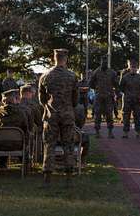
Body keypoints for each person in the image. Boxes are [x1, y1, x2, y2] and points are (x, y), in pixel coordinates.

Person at [38, 48, 80, 186]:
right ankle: (69, 177)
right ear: (65, 59)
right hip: (67, 115)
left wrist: (50, 106)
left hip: (51, 115)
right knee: (68, 145)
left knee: (49, 145)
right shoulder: (72, 76)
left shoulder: (45, 76)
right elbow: (75, 100)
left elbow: (41, 99)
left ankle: (47, 177)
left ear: (54, 58)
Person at [89, 61, 117, 138]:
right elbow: (91, 83)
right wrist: (97, 89)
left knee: (109, 114)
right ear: (100, 63)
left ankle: (110, 132)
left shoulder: (112, 72)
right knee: (97, 114)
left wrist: (114, 92)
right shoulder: (96, 72)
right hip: (99, 97)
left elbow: (116, 83)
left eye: (105, 63)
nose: (103, 65)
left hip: (108, 96)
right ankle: (97, 132)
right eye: (102, 63)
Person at [119, 59, 140, 138]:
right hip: (127, 100)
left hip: (137, 100)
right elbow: (121, 87)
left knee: (137, 116)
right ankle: (125, 132)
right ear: (129, 67)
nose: (133, 69)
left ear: (137, 68)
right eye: (132, 67)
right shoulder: (125, 77)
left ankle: (138, 131)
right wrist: (125, 93)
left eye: (135, 67)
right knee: (126, 116)